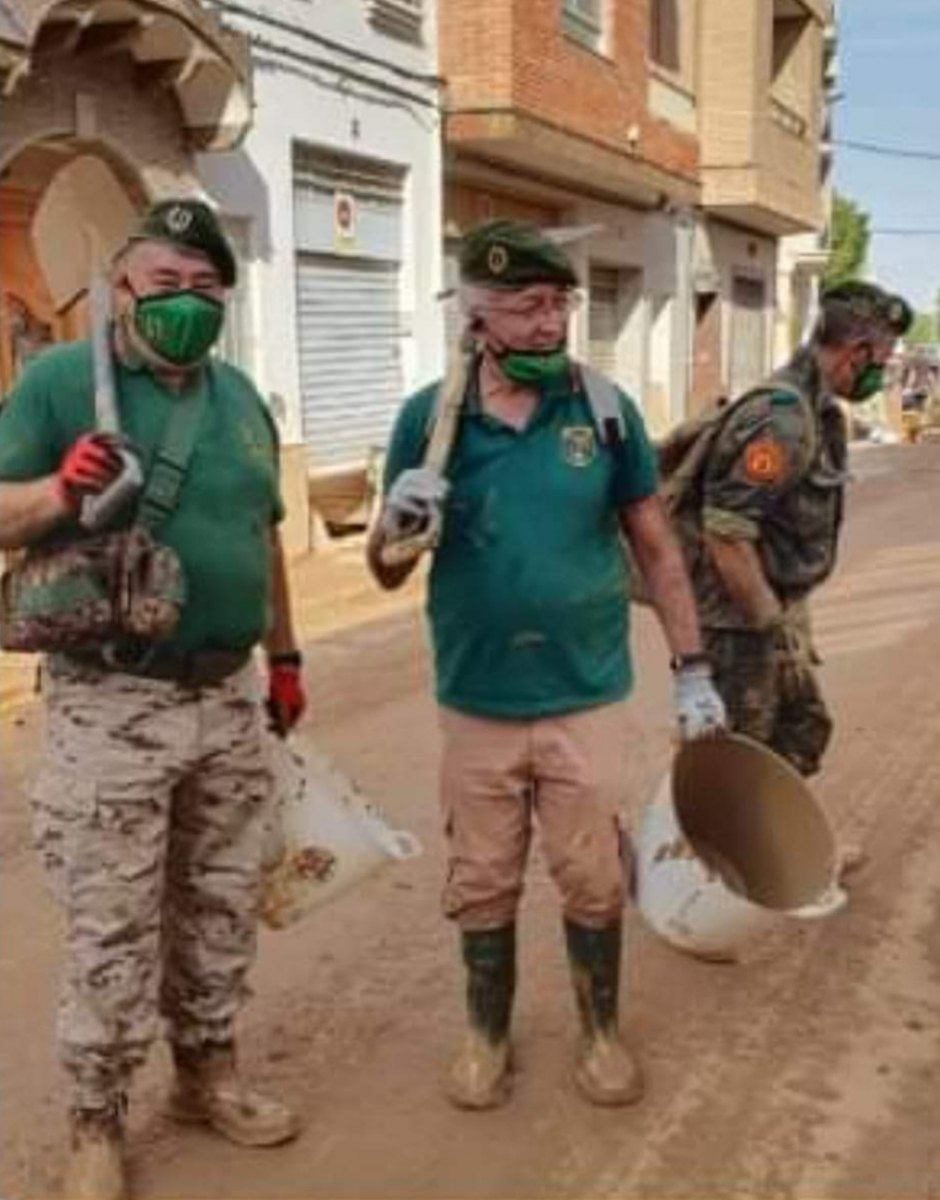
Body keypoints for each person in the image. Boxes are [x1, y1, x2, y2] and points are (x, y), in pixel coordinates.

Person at [367, 219, 726, 1112]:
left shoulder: (603, 410)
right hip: (477, 699)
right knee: (483, 878)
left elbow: (656, 547)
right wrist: (394, 526)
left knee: (593, 876)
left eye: (559, 303)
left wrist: (692, 669)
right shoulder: (429, 419)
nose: (550, 323)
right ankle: (486, 1036)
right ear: (477, 317)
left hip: (584, 694)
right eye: (527, 306)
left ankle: (600, 1033)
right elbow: (388, 569)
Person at [0, 199, 307, 1199]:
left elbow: (264, 535)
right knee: (113, 921)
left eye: (205, 285)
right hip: (112, 702)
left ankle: (206, 1075)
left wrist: (287, 655)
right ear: (122, 285)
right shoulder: (60, 381)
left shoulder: (242, 398)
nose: (186, 301)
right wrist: (60, 491)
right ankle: (95, 1118)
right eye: (165, 281)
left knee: (220, 902)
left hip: (227, 694)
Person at [682, 281, 911, 782]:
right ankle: (696, 834)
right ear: (858, 351)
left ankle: (761, 833)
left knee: (796, 734)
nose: (883, 369)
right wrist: (771, 628)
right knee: (735, 756)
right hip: (739, 623)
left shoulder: (815, 408)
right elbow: (726, 533)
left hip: (770, 607)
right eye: (885, 357)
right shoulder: (780, 420)